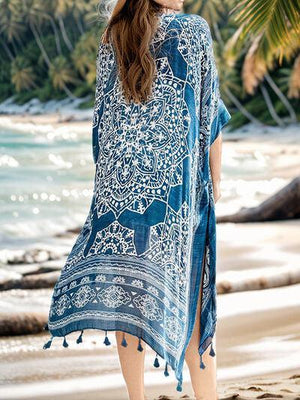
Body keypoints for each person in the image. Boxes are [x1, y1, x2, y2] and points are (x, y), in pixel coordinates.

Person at [43, 0, 231, 399]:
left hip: (120, 192)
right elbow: (209, 117)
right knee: (196, 308)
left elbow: (102, 123)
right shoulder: (193, 31)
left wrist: (115, 185)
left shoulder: (112, 36)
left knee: (128, 305)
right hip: (176, 197)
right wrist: (214, 186)